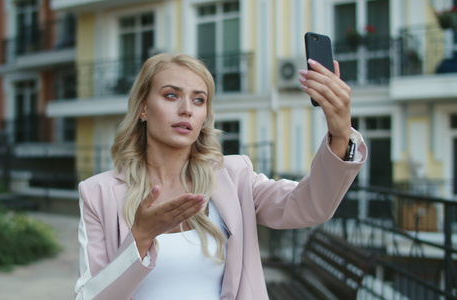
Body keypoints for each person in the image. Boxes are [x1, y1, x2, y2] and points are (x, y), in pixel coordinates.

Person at [74, 53, 367, 300]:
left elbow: (309, 206)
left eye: (198, 100)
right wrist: (140, 238)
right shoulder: (98, 193)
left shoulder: (235, 178)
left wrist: (340, 134)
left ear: (204, 116)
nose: (186, 109)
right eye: (171, 95)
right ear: (143, 108)